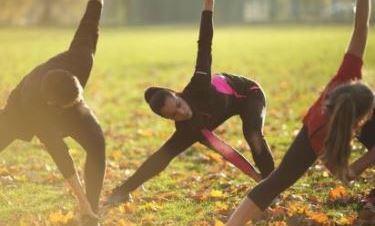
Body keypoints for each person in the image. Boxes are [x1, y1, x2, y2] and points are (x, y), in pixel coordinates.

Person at [106, 0, 275, 206]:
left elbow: (204, 44)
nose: (182, 113)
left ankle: (272, 186)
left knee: (253, 133)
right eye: (174, 115)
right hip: (227, 107)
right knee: (164, 156)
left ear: (176, 94)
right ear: (169, 119)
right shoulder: (188, 128)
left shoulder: (199, 84)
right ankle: (267, 187)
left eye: (178, 105)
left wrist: (208, 6)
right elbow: (162, 160)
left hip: (249, 94)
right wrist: (122, 190)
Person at [226, 0, 374, 225]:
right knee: (280, 179)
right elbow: (344, 174)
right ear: (361, 120)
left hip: (322, 125)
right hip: (325, 132)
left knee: (276, 181)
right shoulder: (323, 136)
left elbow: (361, 26)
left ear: (347, 86)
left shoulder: (346, 75)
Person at [0, 0, 105, 225]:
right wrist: (80, 199)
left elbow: (89, 23)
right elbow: (60, 154)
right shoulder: (32, 104)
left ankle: (91, 213)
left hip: (69, 105)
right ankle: (86, 206)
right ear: (53, 104)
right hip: (19, 114)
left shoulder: (81, 58)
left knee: (96, 141)